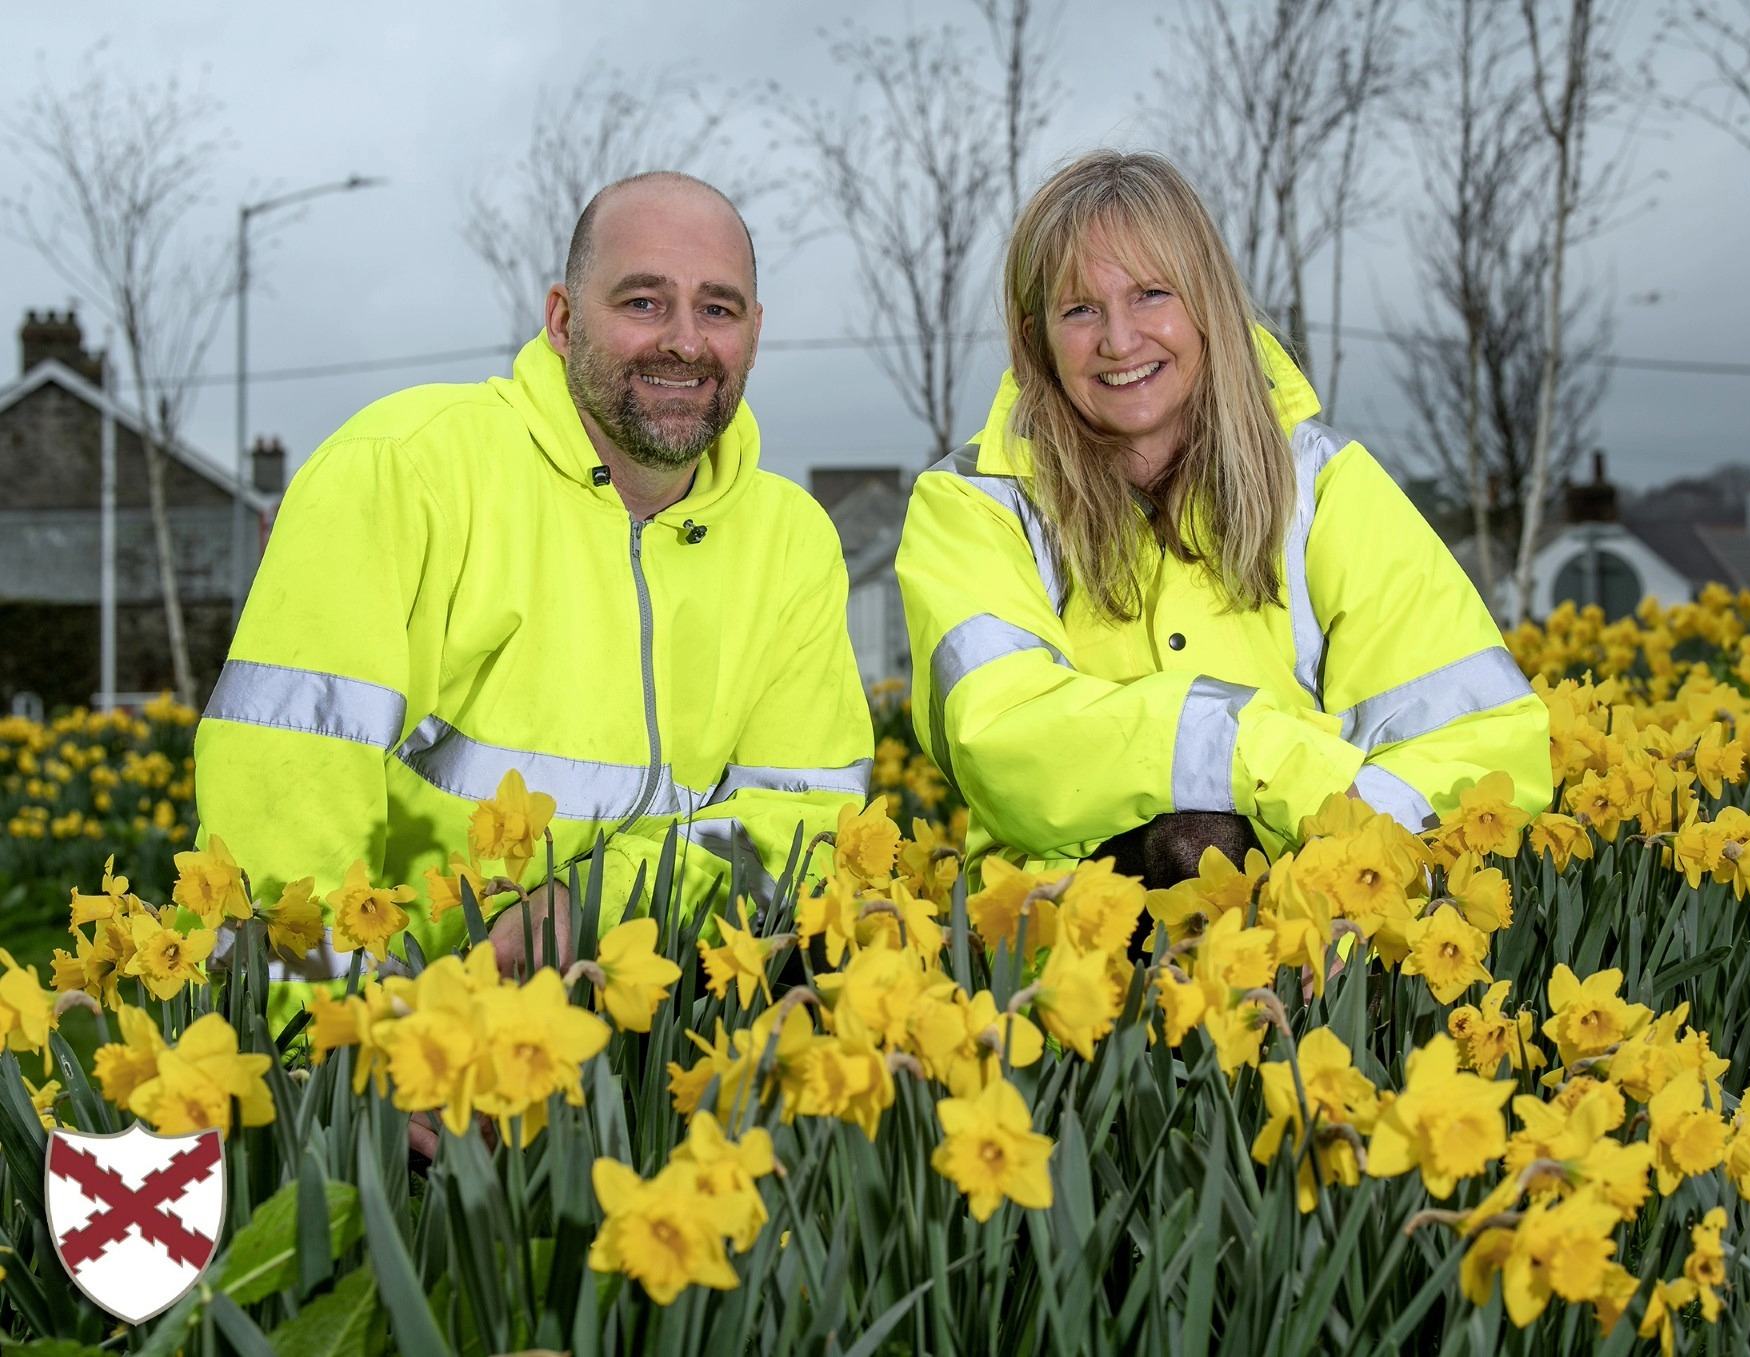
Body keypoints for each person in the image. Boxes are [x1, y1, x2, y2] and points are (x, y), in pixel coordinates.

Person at [196, 172, 873, 985]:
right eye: (643, 302)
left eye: (718, 309)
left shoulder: (791, 540)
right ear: (561, 319)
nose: (686, 342)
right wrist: (343, 1057)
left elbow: (798, 819)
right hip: (395, 1027)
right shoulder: (403, 470)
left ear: (754, 334)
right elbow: (284, 804)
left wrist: (591, 904)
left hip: (654, 1024)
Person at [895, 152, 1550, 887]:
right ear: (1035, 336)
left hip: (1329, 964)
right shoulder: (974, 507)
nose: (1119, 339)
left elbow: (1486, 743)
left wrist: (1347, 879)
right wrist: (1261, 757)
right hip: (1068, 960)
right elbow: (1003, 740)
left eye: (1151, 293)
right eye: (1080, 309)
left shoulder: (1324, 485)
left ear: (1209, 303)